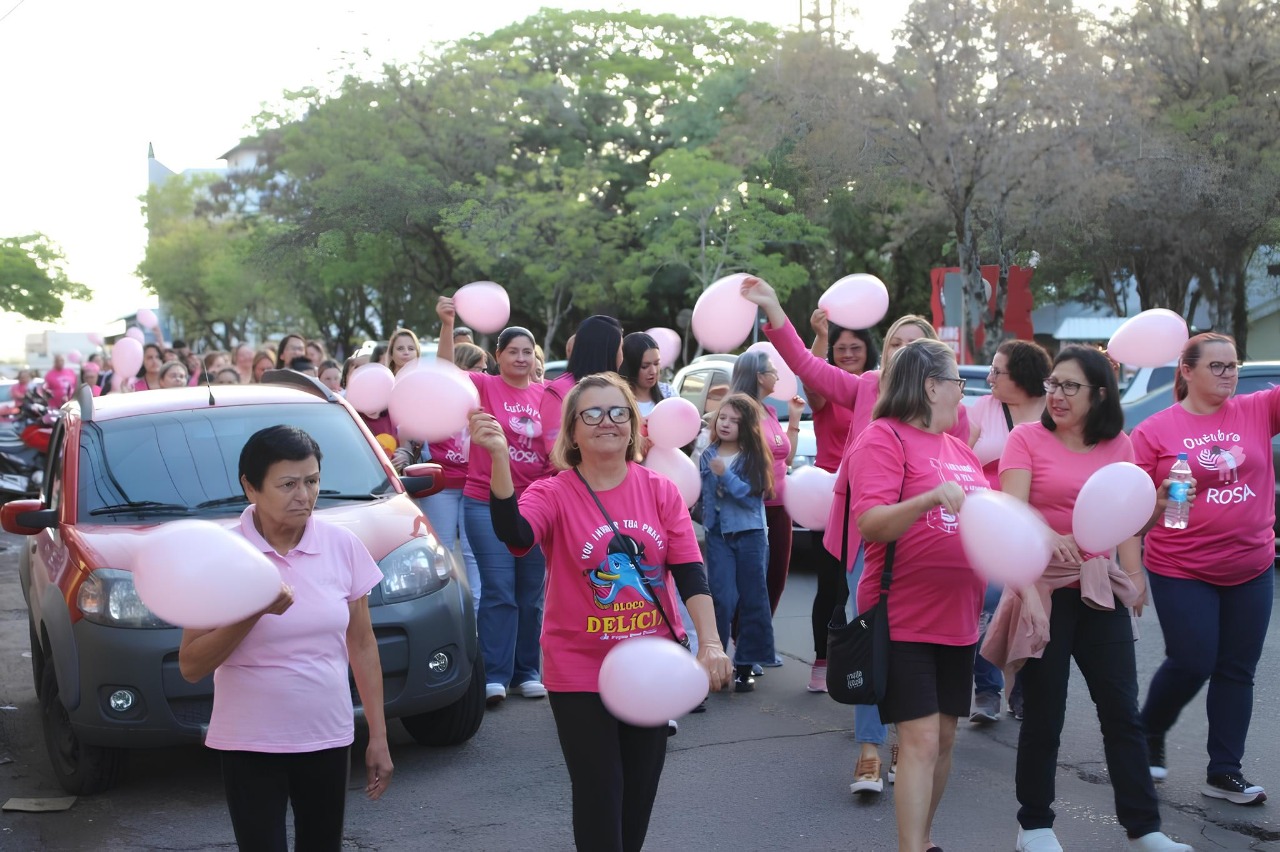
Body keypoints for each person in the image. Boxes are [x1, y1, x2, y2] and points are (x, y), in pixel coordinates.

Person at [473, 372, 730, 852]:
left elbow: (691, 572)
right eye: (591, 413)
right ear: (572, 431)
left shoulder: (660, 490)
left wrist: (711, 643)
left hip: (650, 667)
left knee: (637, 795)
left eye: (617, 412)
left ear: (633, 426)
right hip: (579, 668)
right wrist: (500, 460)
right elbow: (516, 535)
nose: (606, 422)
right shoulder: (553, 492)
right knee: (599, 792)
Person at [744, 273, 963, 795]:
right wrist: (774, 309)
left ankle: (903, 739)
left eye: (916, 346)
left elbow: (964, 473)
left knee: (917, 648)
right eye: (896, 345)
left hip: (929, 542)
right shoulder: (867, 386)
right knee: (872, 638)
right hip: (868, 535)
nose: (904, 354)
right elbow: (807, 367)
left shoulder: (952, 413)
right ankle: (869, 748)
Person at [985, 345, 1190, 852]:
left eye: (1068, 386)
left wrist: (1136, 572)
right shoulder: (1026, 439)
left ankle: (1145, 828)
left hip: (1100, 587)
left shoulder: (1118, 444)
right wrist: (1041, 540)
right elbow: (1012, 514)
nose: (1055, 394)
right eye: (1053, 384)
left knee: (1121, 711)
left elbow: (1122, 516)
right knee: (1045, 713)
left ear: (1099, 394)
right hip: (1042, 587)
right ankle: (1034, 825)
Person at [178, 425, 392, 851]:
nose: (304, 495)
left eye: (312, 481)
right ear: (250, 487)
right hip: (249, 743)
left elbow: (363, 645)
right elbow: (192, 665)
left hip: (327, 736)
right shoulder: (220, 556)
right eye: (288, 484)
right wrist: (254, 609)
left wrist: (379, 738)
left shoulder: (342, 545)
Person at [847, 338, 985, 852]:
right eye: (957, 383)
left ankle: (923, 840)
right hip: (904, 615)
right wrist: (928, 499)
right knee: (922, 739)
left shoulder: (960, 450)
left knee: (945, 740)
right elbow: (872, 523)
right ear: (931, 387)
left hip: (960, 616)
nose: (961, 395)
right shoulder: (884, 439)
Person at [1133, 332, 1274, 807]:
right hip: (1182, 565)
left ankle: (1224, 771)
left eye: (1233, 365)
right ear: (1186, 371)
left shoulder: (1257, 409)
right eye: (1217, 366)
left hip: (1252, 564)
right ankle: (1148, 731)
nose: (1229, 374)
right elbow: (1131, 513)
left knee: (1237, 669)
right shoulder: (1154, 431)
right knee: (1193, 659)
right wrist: (1157, 504)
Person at [437, 297, 551, 706]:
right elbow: (445, 373)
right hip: (484, 502)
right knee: (500, 589)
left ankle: (528, 671)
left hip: (536, 504)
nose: (520, 358)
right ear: (497, 356)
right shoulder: (484, 386)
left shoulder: (547, 395)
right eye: (512, 351)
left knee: (530, 593)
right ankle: (496, 674)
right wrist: (448, 324)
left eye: (527, 352)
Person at [966, 339, 1052, 724]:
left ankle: (1022, 687)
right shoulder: (980, 410)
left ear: (1021, 376)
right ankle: (987, 688)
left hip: (1043, 524)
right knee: (989, 603)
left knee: (1032, 611)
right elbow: (958, 457)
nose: (990, 378)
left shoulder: (1054, 411)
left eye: (997, 372)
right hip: (991, 524)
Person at [803, 310, 878, 693]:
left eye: (855, 347)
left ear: (869, 351)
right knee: (831, 587)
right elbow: (811, 380)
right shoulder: (830, 392)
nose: (847, 353)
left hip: (873, 497)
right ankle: (823, 659)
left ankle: (869, 663)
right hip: (828, 497)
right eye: (841, 348)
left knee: (868, 587)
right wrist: (819, 335)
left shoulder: (879, 389)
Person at [699, 392, 776, 692]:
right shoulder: (708, 454)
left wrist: (725, 475)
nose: (727, 424)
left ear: (747, 427)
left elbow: (750, 496)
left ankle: (745, 666)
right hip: (718, 535)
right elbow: (704, 494)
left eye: (735, 420)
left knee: (752, 599)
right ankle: (716, 663)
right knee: (721, 599)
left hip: (750, 534)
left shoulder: (753, 454)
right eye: (723, 418)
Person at [728, 350, 804, 622]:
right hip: (751, 507)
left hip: (781, 505)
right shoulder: (738, 413)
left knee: (775, 578)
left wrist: (794, 418)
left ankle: (759, 637)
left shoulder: (770, 411)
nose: (778, 376)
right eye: (773, 371)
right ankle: (743, 642)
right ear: (760, 377)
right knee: (750, 579)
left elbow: (788, 457)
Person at [419, 341, 489, 613]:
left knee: (474, 553)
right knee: (442, 550)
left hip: (475, 483)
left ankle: (477, 615)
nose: (482, 375)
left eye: (485, 369)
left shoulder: (485, 394)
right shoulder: (437, 396)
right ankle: (446, 611)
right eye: (476, 369)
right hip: (442, 484)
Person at [541, 316, 624, 448]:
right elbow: (554, 447)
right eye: (620, 348)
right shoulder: (559, 391)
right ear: (606, 352)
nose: (622, 356)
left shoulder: (619, 391)